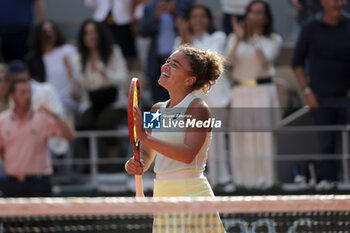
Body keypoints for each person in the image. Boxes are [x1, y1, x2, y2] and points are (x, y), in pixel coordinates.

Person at [125, 45, 226, 232]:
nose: (166, 66)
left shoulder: (198, 109)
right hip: (162, 195)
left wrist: (145, 137)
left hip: (192, 194)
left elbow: (188, 154)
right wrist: (137, 163)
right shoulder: (156, 109)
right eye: (167, 62)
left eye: (175, 65)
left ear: (189, 80)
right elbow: (146, 154)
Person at [292, 0, 350, 186]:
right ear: (323, 2)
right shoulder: (310, 27)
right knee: (327, 145)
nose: (338, 3)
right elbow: (297, 62)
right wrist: (307, 91)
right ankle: (331, 185)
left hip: (347, 98)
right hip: (320, 98)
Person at [225, 0, 282, 188]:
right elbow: (227, 64)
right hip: (241, 90)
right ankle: (242, 181)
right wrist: (240, 39)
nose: (254, 16)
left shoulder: (273, 39)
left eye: (259, 13)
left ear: (265, 18)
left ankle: (267, 181)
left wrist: (253, 38)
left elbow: (264, 61)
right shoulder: (235, 38)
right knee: (241, 134)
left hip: (263, 91)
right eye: (251, 12)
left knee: (263, 135)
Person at [174, 4, 231, 188]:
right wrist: (183, 37)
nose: (198, 20)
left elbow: (202, 60)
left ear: (208, 19)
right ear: (189, 20)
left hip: (216, 97)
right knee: (194, 139)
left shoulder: (218, 37)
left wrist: (184, 37)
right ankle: (199, 180)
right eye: (194, 16)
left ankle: (222, 179)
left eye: (202, 16)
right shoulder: (179, 40)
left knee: (217, 139)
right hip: (193, 98)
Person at [0, 77, 75, 197]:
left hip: (39, 183)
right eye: (22, 92)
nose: (27, 96)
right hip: (13, 183)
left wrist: (54, 114)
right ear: (12, 96)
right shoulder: (2, 121)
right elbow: (1, 150)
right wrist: (15, 165)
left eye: (29, 92)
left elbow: (70, 136)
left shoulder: (42, 118)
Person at [70, 19, 128, 159]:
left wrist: (104, 71)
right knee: (85, 122)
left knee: (104, 122)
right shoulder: (78, 58)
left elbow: (123, 78)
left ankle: (114, 157)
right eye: (87, 33)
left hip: (114, 101)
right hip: (92, 102)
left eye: (94, 32)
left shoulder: (113, 51)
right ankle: (94, 162)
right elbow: (80, 88)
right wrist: (71, 73)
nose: (92, 36)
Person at [5, 60, 69, 156]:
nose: (13, 81)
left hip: (50, 144)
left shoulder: (47, 89)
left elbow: (58, 118)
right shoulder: (13, 98)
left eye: (15, 77)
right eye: (10, 79)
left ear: (26, 74)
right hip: (23, 145)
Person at [138, 0, 194, 102]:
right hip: (157, 61)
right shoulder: (150, 6)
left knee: (180, 102)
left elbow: (193, 25)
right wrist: (155, 17)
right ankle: (158, 118)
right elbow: (142, 31)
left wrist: (175, 12)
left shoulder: (185, 3)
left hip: (180, 61)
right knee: (157, 102)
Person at [24, 20, 78, 117]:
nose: (49, 34)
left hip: (68, 103)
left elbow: (79, 75)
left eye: (51, 30)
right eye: (45, 32)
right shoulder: (33, 59)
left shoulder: (68, 51)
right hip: (44, 105)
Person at [84, 0, 139, 69]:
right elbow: (89, 3)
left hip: (122, 19)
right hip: (102, 18)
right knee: (102, 46)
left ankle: (125, 70)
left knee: (125, 48)